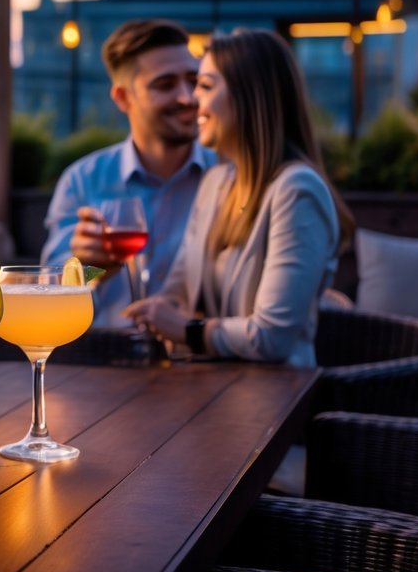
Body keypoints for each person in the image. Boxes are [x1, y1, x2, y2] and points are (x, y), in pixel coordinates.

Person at [122, 29, 353, 366]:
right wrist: (99, 270)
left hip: (279, 399)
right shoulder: (215, 184)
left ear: (250, 96)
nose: (190, 100)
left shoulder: (297, 190)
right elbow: (176, 294)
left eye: (205, 85)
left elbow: (272, 337)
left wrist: (189, 330)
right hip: (210, 384)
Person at [42, 18, 213, 326]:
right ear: (123, 98)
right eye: (165, 85)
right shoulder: (82, 181)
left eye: (194, 80)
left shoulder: (228, 177)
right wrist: (87, 272)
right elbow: (48, 304)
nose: (187, 97)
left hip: (203, 361)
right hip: (104, 362)